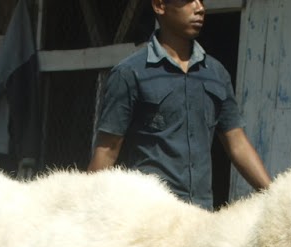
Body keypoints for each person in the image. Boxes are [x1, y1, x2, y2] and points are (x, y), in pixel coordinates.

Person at [87, 0, 270, 209]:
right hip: (149, 215)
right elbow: (107, 151)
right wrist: (84, 212)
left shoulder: (216, 74)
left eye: (201, 1)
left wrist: (274, 196)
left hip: (199, 217)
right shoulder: (130, 74)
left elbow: (237, 144)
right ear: (160, 6)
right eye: (189, 1)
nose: (200, 8)